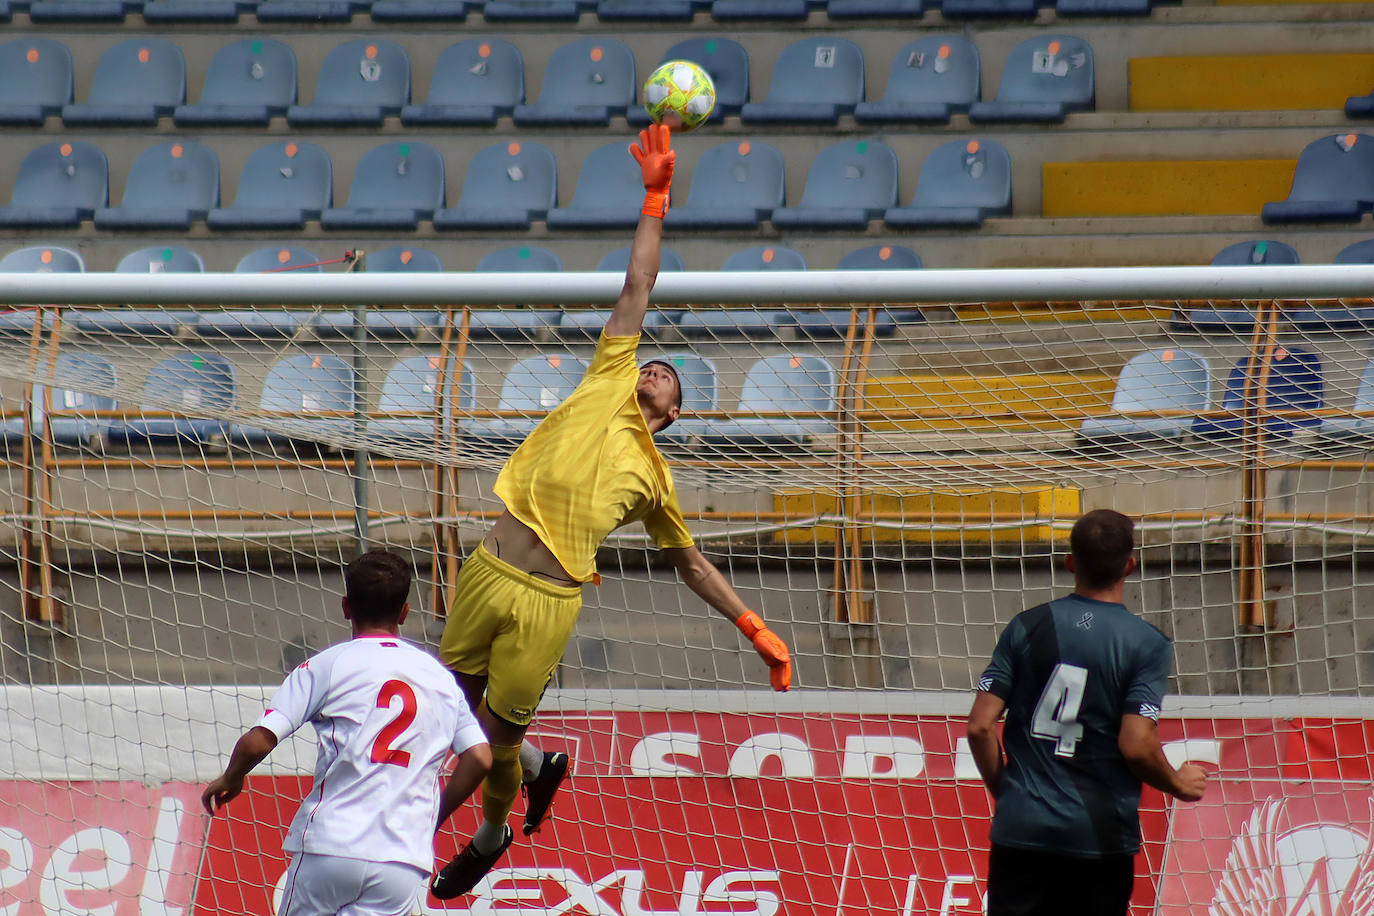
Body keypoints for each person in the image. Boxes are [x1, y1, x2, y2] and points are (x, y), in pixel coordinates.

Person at [430, 124, 794, 900]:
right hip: (489, 567)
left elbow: (690, 562)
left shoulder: (655, 478)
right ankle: (537, 767)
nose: (657, 368)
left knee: (491, 735)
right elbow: (638, 283)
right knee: (450, 706)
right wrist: (654, 198)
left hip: (549, 602)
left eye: (670, 379)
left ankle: (482, 833)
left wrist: (753, 626)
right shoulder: (607, 374)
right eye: (654, 362)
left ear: (673, 413)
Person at [202, 550, 493, 916]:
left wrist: (232, 776)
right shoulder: (439, 679)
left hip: (331, 846)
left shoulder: (327, 666)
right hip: (401, 859)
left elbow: (258, 740)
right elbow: (481, 757)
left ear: (345, 606)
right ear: (404, 612)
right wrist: (433, 818)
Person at [965, 509, 1208, 916]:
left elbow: (978, 727)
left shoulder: (1026, 626)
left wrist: (1007, 793)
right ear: (1130, 566)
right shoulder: (1146, 644)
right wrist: (1177, 783)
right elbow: (1135, 745)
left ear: (1070, 562)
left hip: (1022, 829)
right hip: (1097, 838)